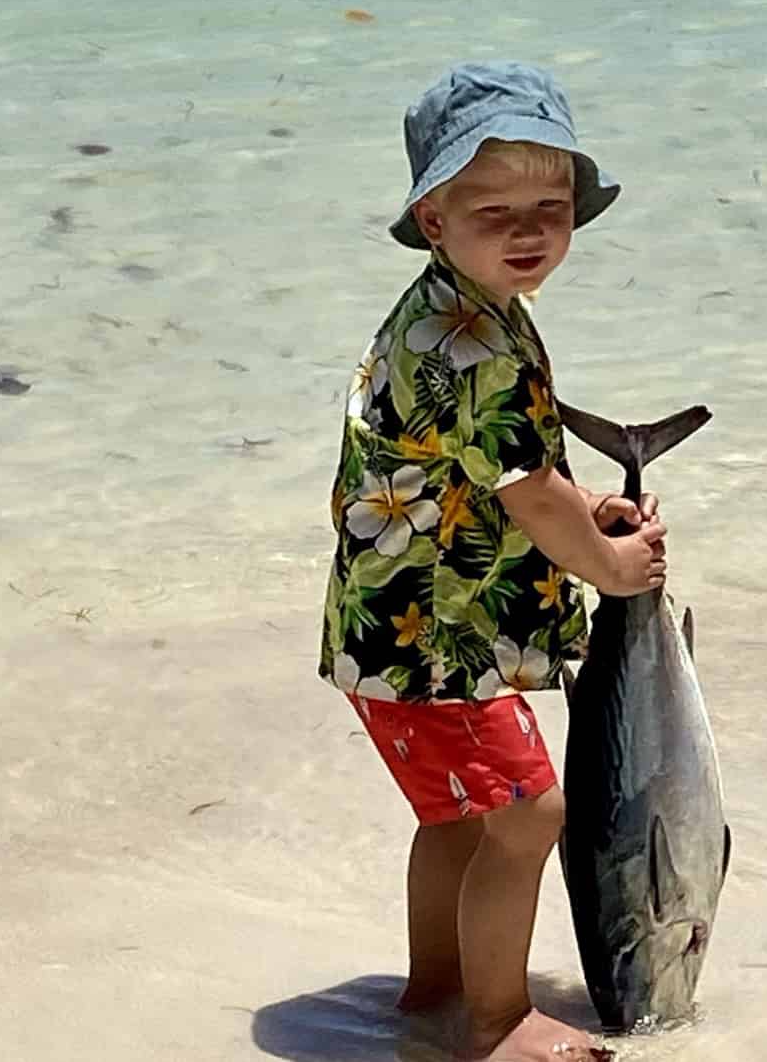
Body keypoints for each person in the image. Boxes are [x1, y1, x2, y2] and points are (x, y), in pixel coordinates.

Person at [320, 60, 664, 1060]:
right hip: (436, 637)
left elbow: (500, 468)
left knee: (461, 822)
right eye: (493, 210)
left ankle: (435, 994)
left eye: (549, 208)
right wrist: (604, 564)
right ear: (433, 219)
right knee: (527, 815)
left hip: (394, 628)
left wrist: (583, 507)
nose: (526, 231)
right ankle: (490, 1022)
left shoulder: (462, 307)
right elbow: (527, 491)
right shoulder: (467, 343)